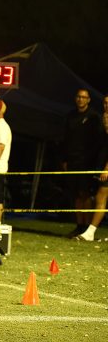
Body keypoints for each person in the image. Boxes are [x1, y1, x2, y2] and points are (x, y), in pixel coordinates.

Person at [61, 89, 103, 238]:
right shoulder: (70, 116)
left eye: (84, 97)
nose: (81, 99)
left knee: (86, 194)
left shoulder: (94, 117)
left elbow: (98, 141)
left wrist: (93, 161)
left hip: (87, 162)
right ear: (75, 98)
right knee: (76, 195)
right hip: (72, 161)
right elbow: (65, 139)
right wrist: (64, 159)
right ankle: (79, 226)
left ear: (88, 100)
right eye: (78, 96)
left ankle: (87, 227)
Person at [75, 94, 108, 241]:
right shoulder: (103, 117)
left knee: (101, 197)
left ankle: (90, 232)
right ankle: (89, 231)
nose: (106, 105)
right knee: (100, 197)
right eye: (105, 103)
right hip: (100, 164)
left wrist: (107, 168)